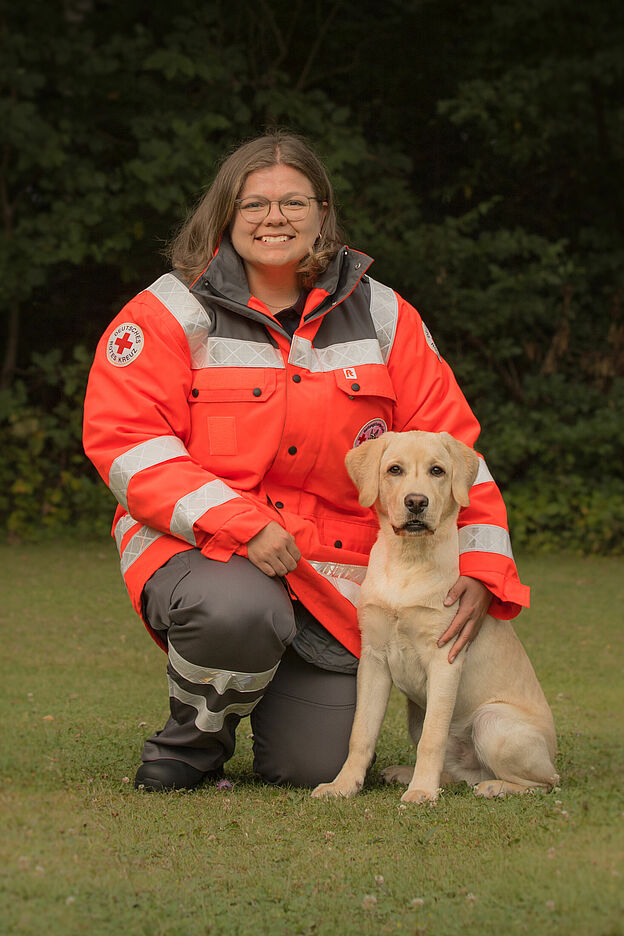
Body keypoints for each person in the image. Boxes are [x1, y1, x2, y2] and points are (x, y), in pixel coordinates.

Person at [83, 132, 530, 792]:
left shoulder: (383, 313)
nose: (275, 218)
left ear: (322, 212)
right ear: (225, 213)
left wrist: (484, 567)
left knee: (315, 765)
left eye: (294, 202)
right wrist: (240, 523)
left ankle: (269, 685)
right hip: (207, 551)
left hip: (329, 575)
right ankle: (193, 744)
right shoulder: (170, 309)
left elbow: (454, 450)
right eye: (255, 203)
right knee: (237, 609)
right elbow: (127, 442)